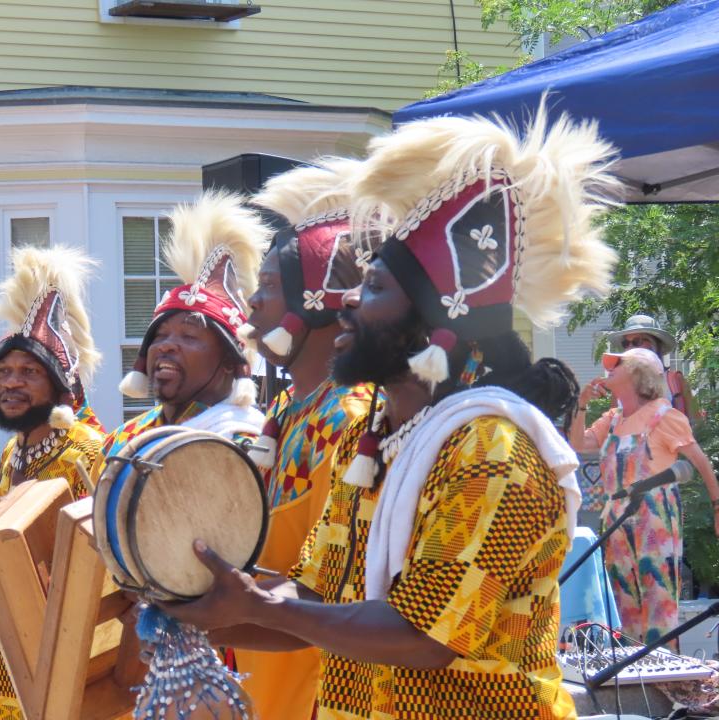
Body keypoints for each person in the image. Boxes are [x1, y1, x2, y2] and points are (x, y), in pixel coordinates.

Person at [157, 107, 620, 719]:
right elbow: (316, 594)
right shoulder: (376, 444)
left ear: (433, 324)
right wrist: (198, 609)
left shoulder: (493, 451)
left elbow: (424, 635)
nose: (345, 303)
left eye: (373, 289)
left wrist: (260, 607)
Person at [0, 245, 106, 720]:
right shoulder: (14, 451)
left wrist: (13, 617)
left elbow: (97, 573)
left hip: (62, 657)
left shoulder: (89, 452)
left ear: (57, 385)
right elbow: (10, 544)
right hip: (2, 648)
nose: (12, 383)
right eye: (4, 372)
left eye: (29, 372)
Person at [228, 159, 374, 719]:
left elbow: (327, 587)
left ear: (317, 300)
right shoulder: (290, 406)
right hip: (265, 665)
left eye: (268, 286)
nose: (254, 303)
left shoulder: (351, 416)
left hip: (318, 681)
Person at [97, 191, 271, 470]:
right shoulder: (121, 442)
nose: (166, 346)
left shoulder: (250, 445)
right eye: (161, 335)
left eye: (189, 336)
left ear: (229, 360)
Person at [569, 347, 719, 646]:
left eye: (618, 364)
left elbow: (701, 464)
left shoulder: (665, 415)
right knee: (624, 602)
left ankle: (663, 679)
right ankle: (635, 680)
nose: (609, 367)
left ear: (639, 374)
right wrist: (581, 404)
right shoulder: (611, 419)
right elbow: (577, 443)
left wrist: (717, 507)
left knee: (658, 600)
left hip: (655, 516)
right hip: (616, 517)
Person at [605, 314, 700, 423]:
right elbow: (612, 426)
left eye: (637, 341)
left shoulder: (674, 380)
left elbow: (698, 425)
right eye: (626, 343)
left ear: (655, 345)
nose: (630, 347)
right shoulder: (619, 385)